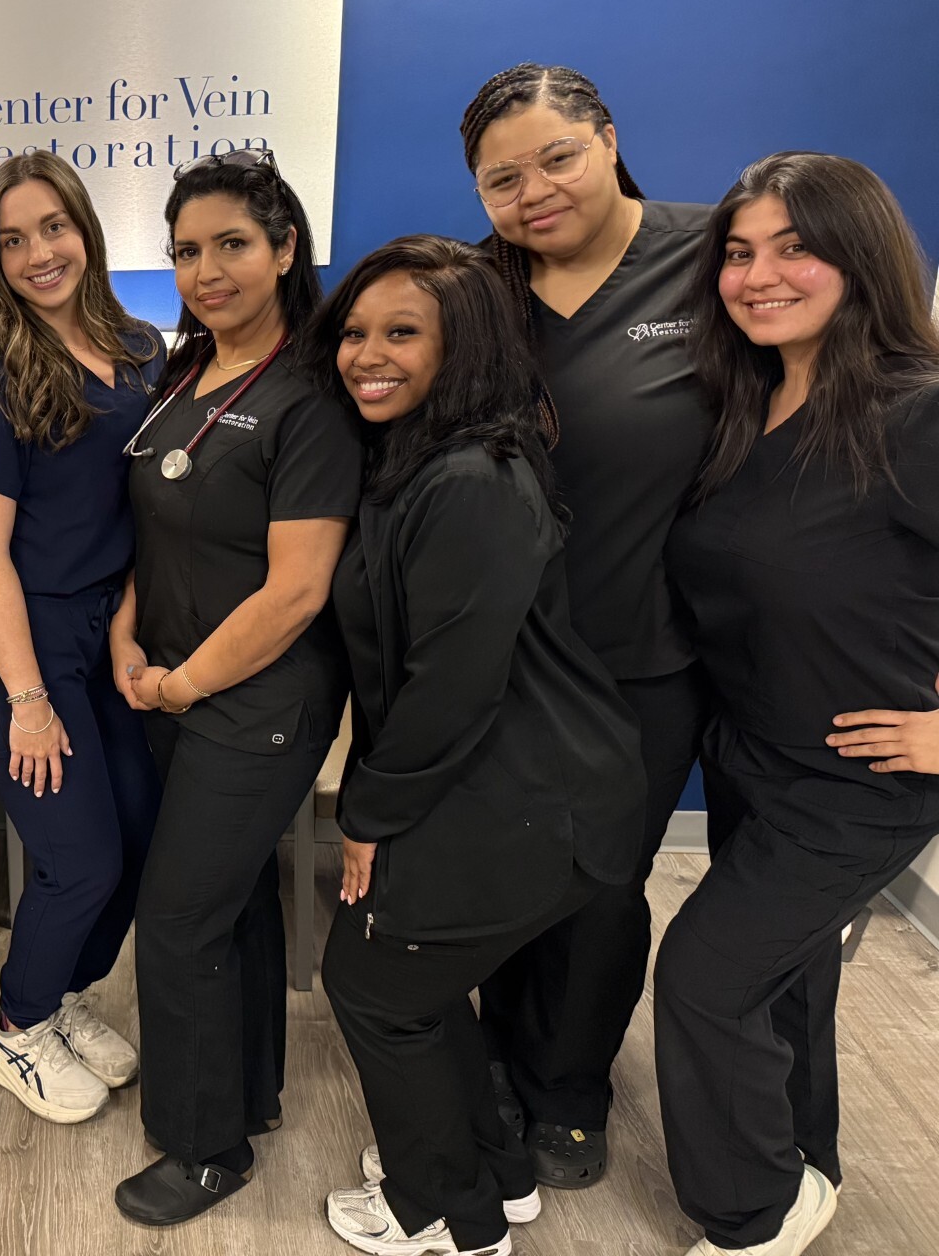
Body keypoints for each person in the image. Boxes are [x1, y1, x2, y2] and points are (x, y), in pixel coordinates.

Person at [312, 233, 644, 1256]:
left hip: (529, 794)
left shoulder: (470, 479)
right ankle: (494, 1175)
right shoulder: (422, 461)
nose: (369, 355)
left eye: (403, 333)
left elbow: (450, 686)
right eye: (356, 332)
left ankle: (448, 1219)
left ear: (464, 347)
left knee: (374, 987)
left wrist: (367, 815)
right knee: (407, 986)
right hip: (505, 785)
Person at [659, 153, 939, 1256]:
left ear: (861, 257)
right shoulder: (746, 404)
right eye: (739, 253)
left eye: (795, 247)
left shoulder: (917, 413)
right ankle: (803, 1162)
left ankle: (753, 1214)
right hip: (751, 757)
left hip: (859, 782)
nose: (759, 275)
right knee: (785, 979)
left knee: (703, 979)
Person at [459, 62, 715, 1187]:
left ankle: (568, 1088)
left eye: (556, 157)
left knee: (605, 886)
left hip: (646, 653)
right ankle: (496, 1057)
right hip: (506, 654)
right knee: (501, 867)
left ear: (608, 140)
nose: (534, 193)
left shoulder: (714, 259)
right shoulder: (477, 288)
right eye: (502, 179)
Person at [108, 149, 360, 1226]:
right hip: (171, 679)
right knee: (235, 901)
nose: (205, 272)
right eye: (185, 251)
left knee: (176, 920)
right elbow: (153, 528)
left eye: (232, 245)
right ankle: (249, 1093)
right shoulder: (183, 374)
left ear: (285, 248)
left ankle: (204, 1147)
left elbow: (298, 591)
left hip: (257, 700)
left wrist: (181, 686)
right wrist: (127, 638)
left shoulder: (312, 396)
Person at [0, 152, 164, 1124]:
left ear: (87, 228)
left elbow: (151, 513)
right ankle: (17, 1028)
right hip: (15, 644)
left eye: (53, 227)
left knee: (140, 840)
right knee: (80, 862)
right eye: (13, 240)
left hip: (105, 632)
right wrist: (28, 701)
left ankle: (63, 994)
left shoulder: (143, 349)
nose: (39, 253)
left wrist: (126, 627)